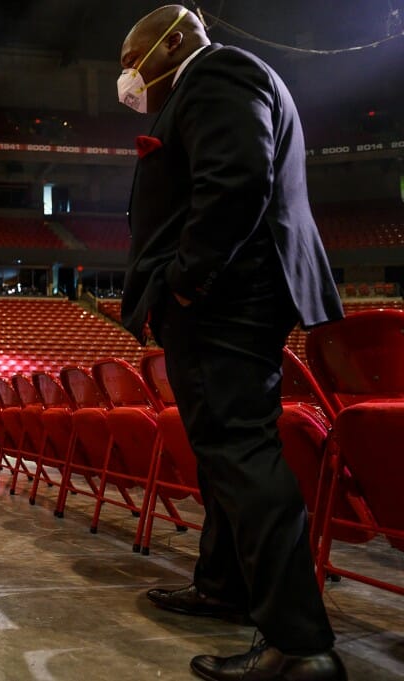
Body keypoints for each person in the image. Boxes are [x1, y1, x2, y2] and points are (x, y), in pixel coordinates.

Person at [117, 6, 346, 681]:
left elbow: (237, 181)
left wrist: (186, 282)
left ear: (177, 40)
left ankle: (300, 644)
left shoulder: (218, 73)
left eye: (135, 55)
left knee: (242, 451)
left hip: (228, 298)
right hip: (228, 295)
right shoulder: (209, 82)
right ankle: (224, 584)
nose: (128, 72)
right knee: (223, 449)